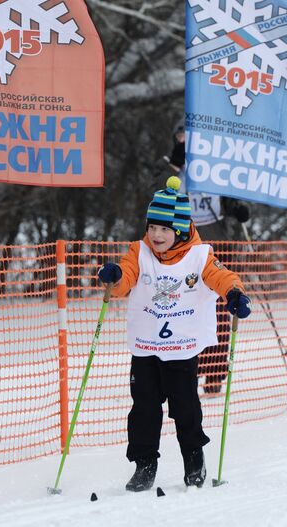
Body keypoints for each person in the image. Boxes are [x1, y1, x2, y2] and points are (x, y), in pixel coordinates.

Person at [97, 176, 252, 492]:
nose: (156, 235)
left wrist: (234, 292)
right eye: (152, 227)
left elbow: (221, 276)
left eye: (164, 229)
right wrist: (113, 278)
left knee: (185, 407)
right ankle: (145, 465)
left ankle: (194, 458)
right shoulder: (139, 252)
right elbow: (125, 278)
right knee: (143, 409)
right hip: (146, 346)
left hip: (181, 347)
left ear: (179, 230)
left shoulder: (199, 255)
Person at [166, 122, 251, 396]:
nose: (186, 143)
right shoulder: (173, 167)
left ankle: (214, 371)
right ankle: (186, 369)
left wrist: (238, 209)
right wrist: (176, 161)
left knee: (217, 310)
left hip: (217, 243)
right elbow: (157, 196)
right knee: (181, 307)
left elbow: (231, 198)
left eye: (190, 139)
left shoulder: (217, 168)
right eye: (181, 138)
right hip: (182, 246)